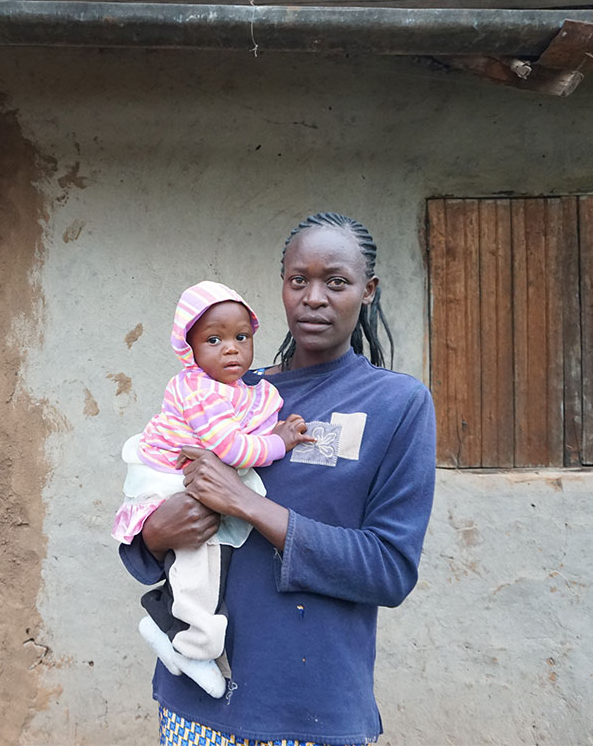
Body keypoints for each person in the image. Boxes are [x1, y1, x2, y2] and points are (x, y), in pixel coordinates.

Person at [120, 213, 437, 746]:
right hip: (196, 699)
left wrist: (247, 503)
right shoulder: (227, 393)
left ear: (368, 291)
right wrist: (155, 532)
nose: (314, 298)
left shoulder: (396, 404)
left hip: (310, 708)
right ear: (283, 288)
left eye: (336, 282)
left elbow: (389, 569)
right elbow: (150, 522)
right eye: (298, 281)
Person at [113, 280, 313, 698]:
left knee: (207, 551)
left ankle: (169, 622)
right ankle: (190, 641)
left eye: (242, 337)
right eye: (214, 339)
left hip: (190, 476)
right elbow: (232, 447)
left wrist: (272, 429)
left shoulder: (239, 390)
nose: (231, 349)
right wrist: (281, 442)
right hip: (166, 478)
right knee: (200, 554)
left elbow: (247, 424)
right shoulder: (198, 389)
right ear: (190, 348)